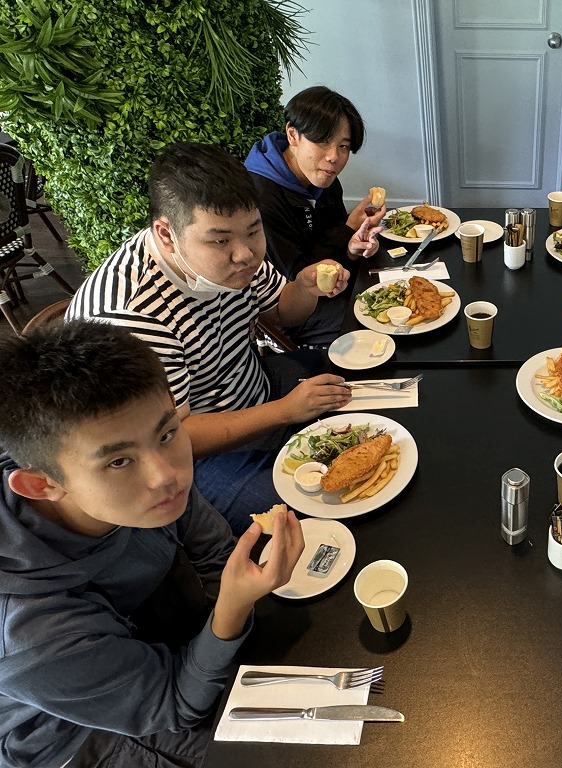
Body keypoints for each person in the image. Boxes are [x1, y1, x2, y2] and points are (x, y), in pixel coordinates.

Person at [0, 320, 305, 768]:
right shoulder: (32, 634)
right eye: (119, 461)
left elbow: (214, 553)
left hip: (164, 634)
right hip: (79, 735)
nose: (166, 474)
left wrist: (230, 607)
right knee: (287, 752)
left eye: (167, 433)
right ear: (41, 485)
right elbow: (176, 706)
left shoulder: (154, 478)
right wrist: (232, 608)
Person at [67, 143, 353, 535]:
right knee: (317, 509)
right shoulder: (132, 314)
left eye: (254, 231)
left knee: (361, 379)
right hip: (198, 455)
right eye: (220, 241)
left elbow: (283, 314)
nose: (245, 254)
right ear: (167, 234)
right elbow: (171, 436)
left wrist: (304, 287)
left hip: (258, 386)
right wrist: (285, 412)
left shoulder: (238, 253)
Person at [245, 86, 386, 346]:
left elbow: (334, 244)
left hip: (334, 287)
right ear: (293, 135)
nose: (333, 157)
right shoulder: (261, 199)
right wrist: (347, 229)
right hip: (294, 310)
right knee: (379, 323)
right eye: (322, 142)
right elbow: (297, 277)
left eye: (343, 146)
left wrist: (353, 246)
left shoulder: (323, 178)